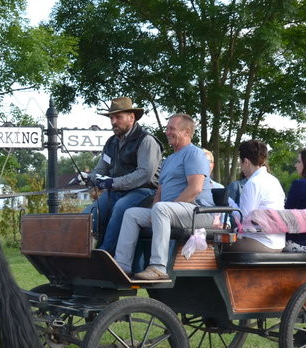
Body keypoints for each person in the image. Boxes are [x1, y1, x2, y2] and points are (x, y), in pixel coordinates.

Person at [114, 113, 213, 280]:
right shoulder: (168, 160)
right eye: (167, 129)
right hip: (170, 211)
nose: (167, 132)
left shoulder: (194, 154)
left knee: (161, 209)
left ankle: (158, 267)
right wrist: (155, 209)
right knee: (132, 214)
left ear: (187, 132)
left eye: (172, 129)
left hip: (199, 212)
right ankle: (122, 266)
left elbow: (195, 189)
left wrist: (165, 209)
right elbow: (159, 193)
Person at [82, 97, 163, 254]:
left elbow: (144, 175)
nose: (113, 121)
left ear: (131, 117)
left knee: (121, 208)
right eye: (111, 118)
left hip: (145, 192)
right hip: (117, 192)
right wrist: (88, 177)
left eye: (118, 117)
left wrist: (112, 183)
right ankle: (77, 253)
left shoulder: (146, 141)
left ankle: (106, 255)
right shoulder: (111, 143)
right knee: (89, 214)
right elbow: (101, 170)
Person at [225, 140, 286, 253]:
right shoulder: (273, 180)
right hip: (279, 243)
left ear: (246, 162)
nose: (241, 167)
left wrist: (228, 202)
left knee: (218, 246)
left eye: (241, 163)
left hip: (262, 243)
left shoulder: (253, 183)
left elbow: (244, 221)